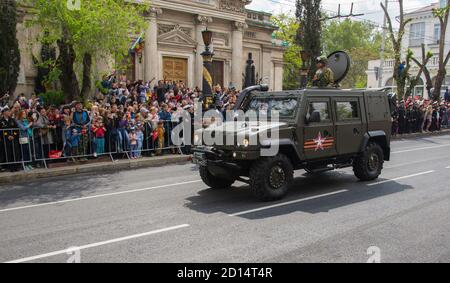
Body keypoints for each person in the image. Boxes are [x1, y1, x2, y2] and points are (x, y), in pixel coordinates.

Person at [0, 107, 21, 172]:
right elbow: (1, 131)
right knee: (8, 153)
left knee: (15, 152)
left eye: (9, 111)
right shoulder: (1, 121)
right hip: (6, 140)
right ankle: (10, 167)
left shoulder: (12, 120)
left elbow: (16, 129)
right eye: (8, 111)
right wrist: (7, 136)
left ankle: (16, 166)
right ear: (4, 113)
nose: (9, 112)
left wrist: (13, 135)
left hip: (14, 139)